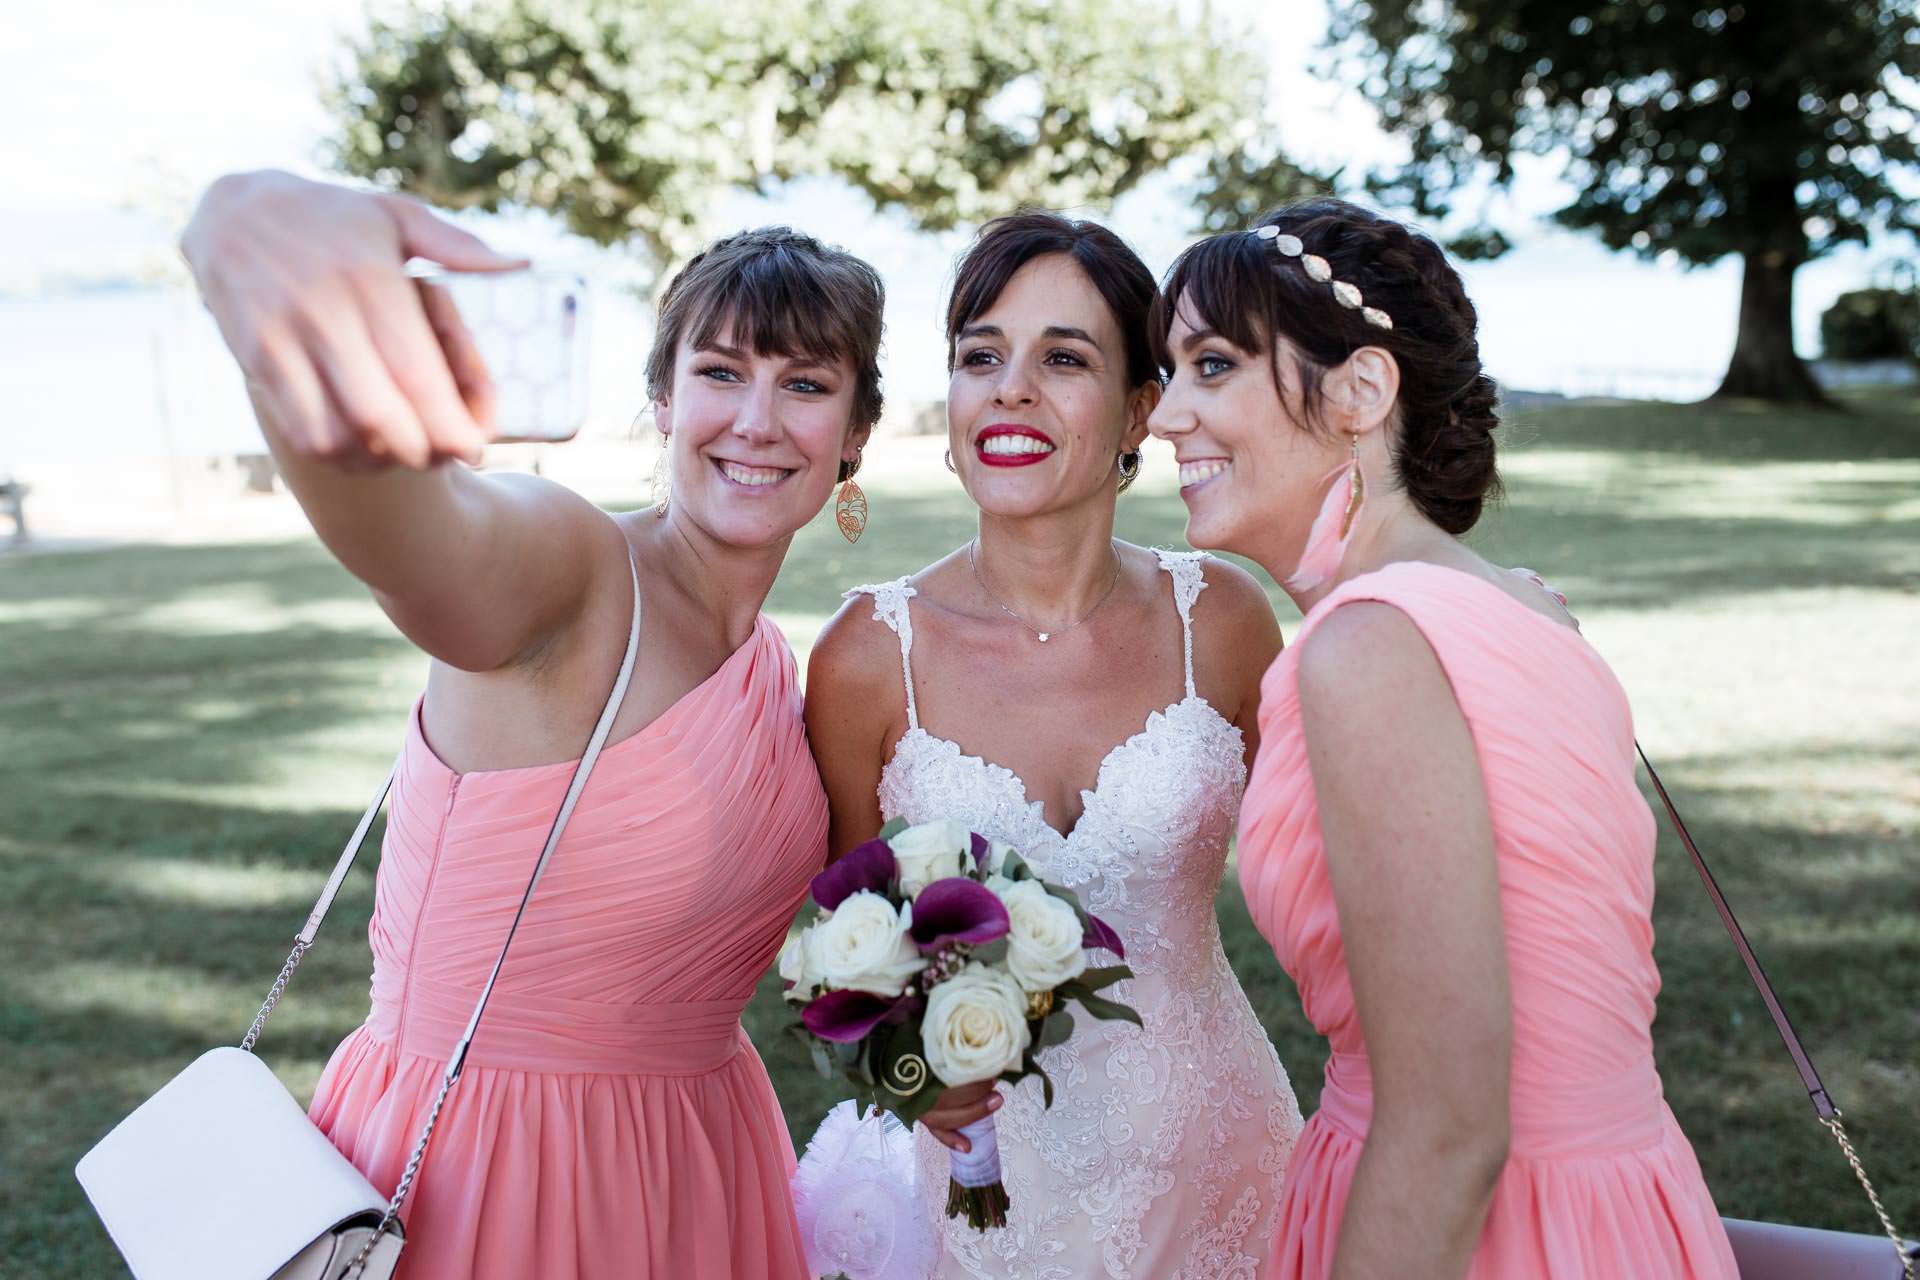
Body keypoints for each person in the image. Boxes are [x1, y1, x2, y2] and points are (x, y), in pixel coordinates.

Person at [180, 171, 886, 1279]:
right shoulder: (573, 570)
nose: (756, 419)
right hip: (486, 1163)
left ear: (854, 436)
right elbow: (413, 536)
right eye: (718, 372)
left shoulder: (774, 663)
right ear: (663, 401)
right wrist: (260, 268)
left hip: (699, 1158)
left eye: (805, 383)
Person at [1148, 196, 1739, 1278]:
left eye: (1215, 364)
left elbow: (1452, 1127)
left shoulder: (1370, 646)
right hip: (1626, 1206)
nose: (1164, 415)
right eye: (1169, 369)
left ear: (1363, 389)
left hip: (1480, 1233)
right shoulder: (1524, 600)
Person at [806, 211, 1303, 1280]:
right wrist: (906, 1075)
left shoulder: (1217, 618)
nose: (1010, 389)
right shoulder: (867, 653)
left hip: (1226, 1166)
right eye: (981, 355)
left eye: (1062, 358)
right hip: (995, 1204)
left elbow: (1336, 884)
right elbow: (835, 959)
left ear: (1139, 409)